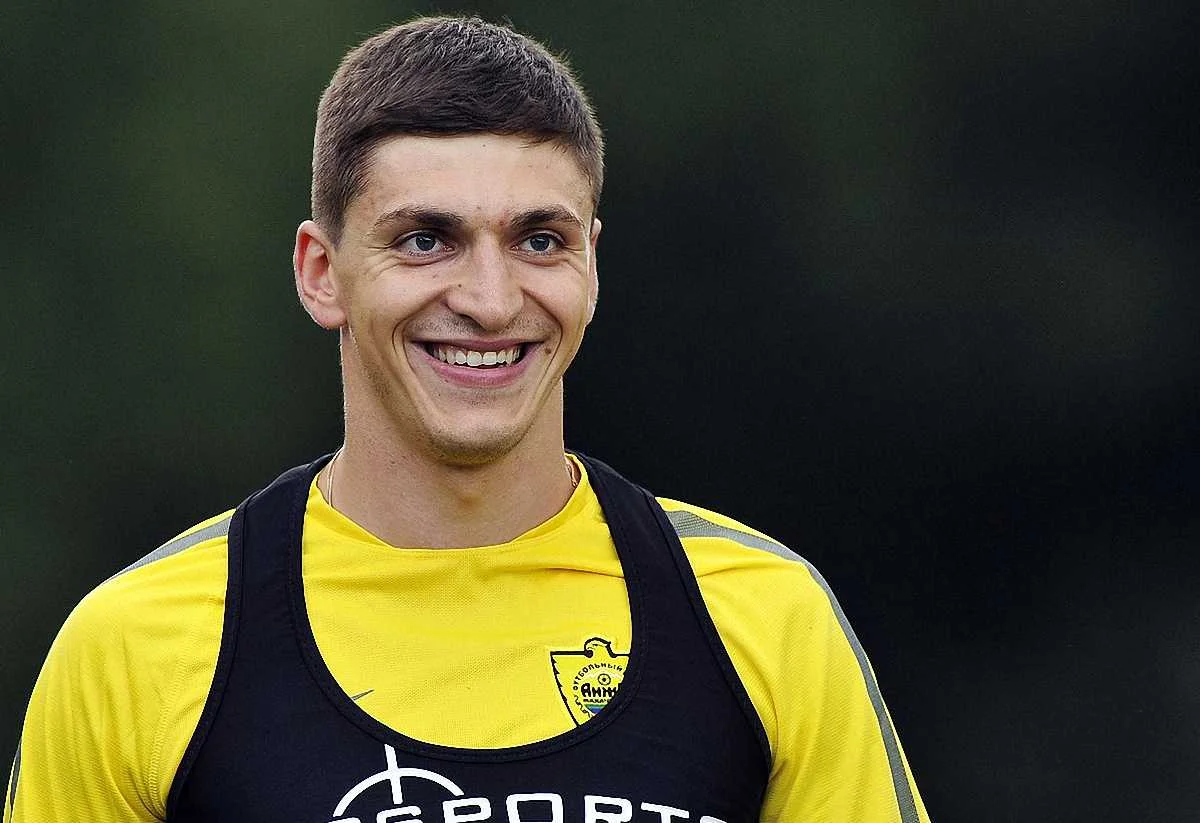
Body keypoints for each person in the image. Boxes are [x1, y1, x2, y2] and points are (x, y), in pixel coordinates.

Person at [5, 16, 930, 823]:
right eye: (426, 239)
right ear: (321, 273)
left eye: (540, 240)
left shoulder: (764, 616)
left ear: (592, 266)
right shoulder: (136, 645)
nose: (490, 300)